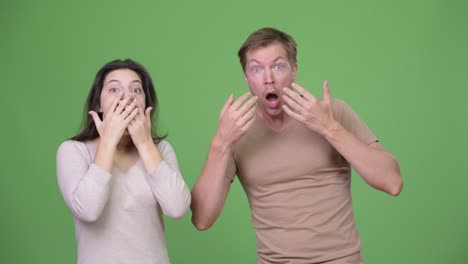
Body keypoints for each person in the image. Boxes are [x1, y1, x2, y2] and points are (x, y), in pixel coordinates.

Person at [191, 28, 403, 264]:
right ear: (246, 78)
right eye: (256, 69)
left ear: (294, 70)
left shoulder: (333, 113)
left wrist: (328, 128)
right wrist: (220, 143)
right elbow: (202, 219)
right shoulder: (235, 132)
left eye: (278, 66)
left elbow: (392, 182)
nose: (268, 78)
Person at [56, 59, 191, 264]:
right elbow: (88, 210)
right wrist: (108, 140)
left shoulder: (161, 149)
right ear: (97, 104)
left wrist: (145, 143)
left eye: (136, 90)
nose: (126, 97)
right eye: (114, 89)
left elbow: (177, 208)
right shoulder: (74, 151)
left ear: (146, 103)